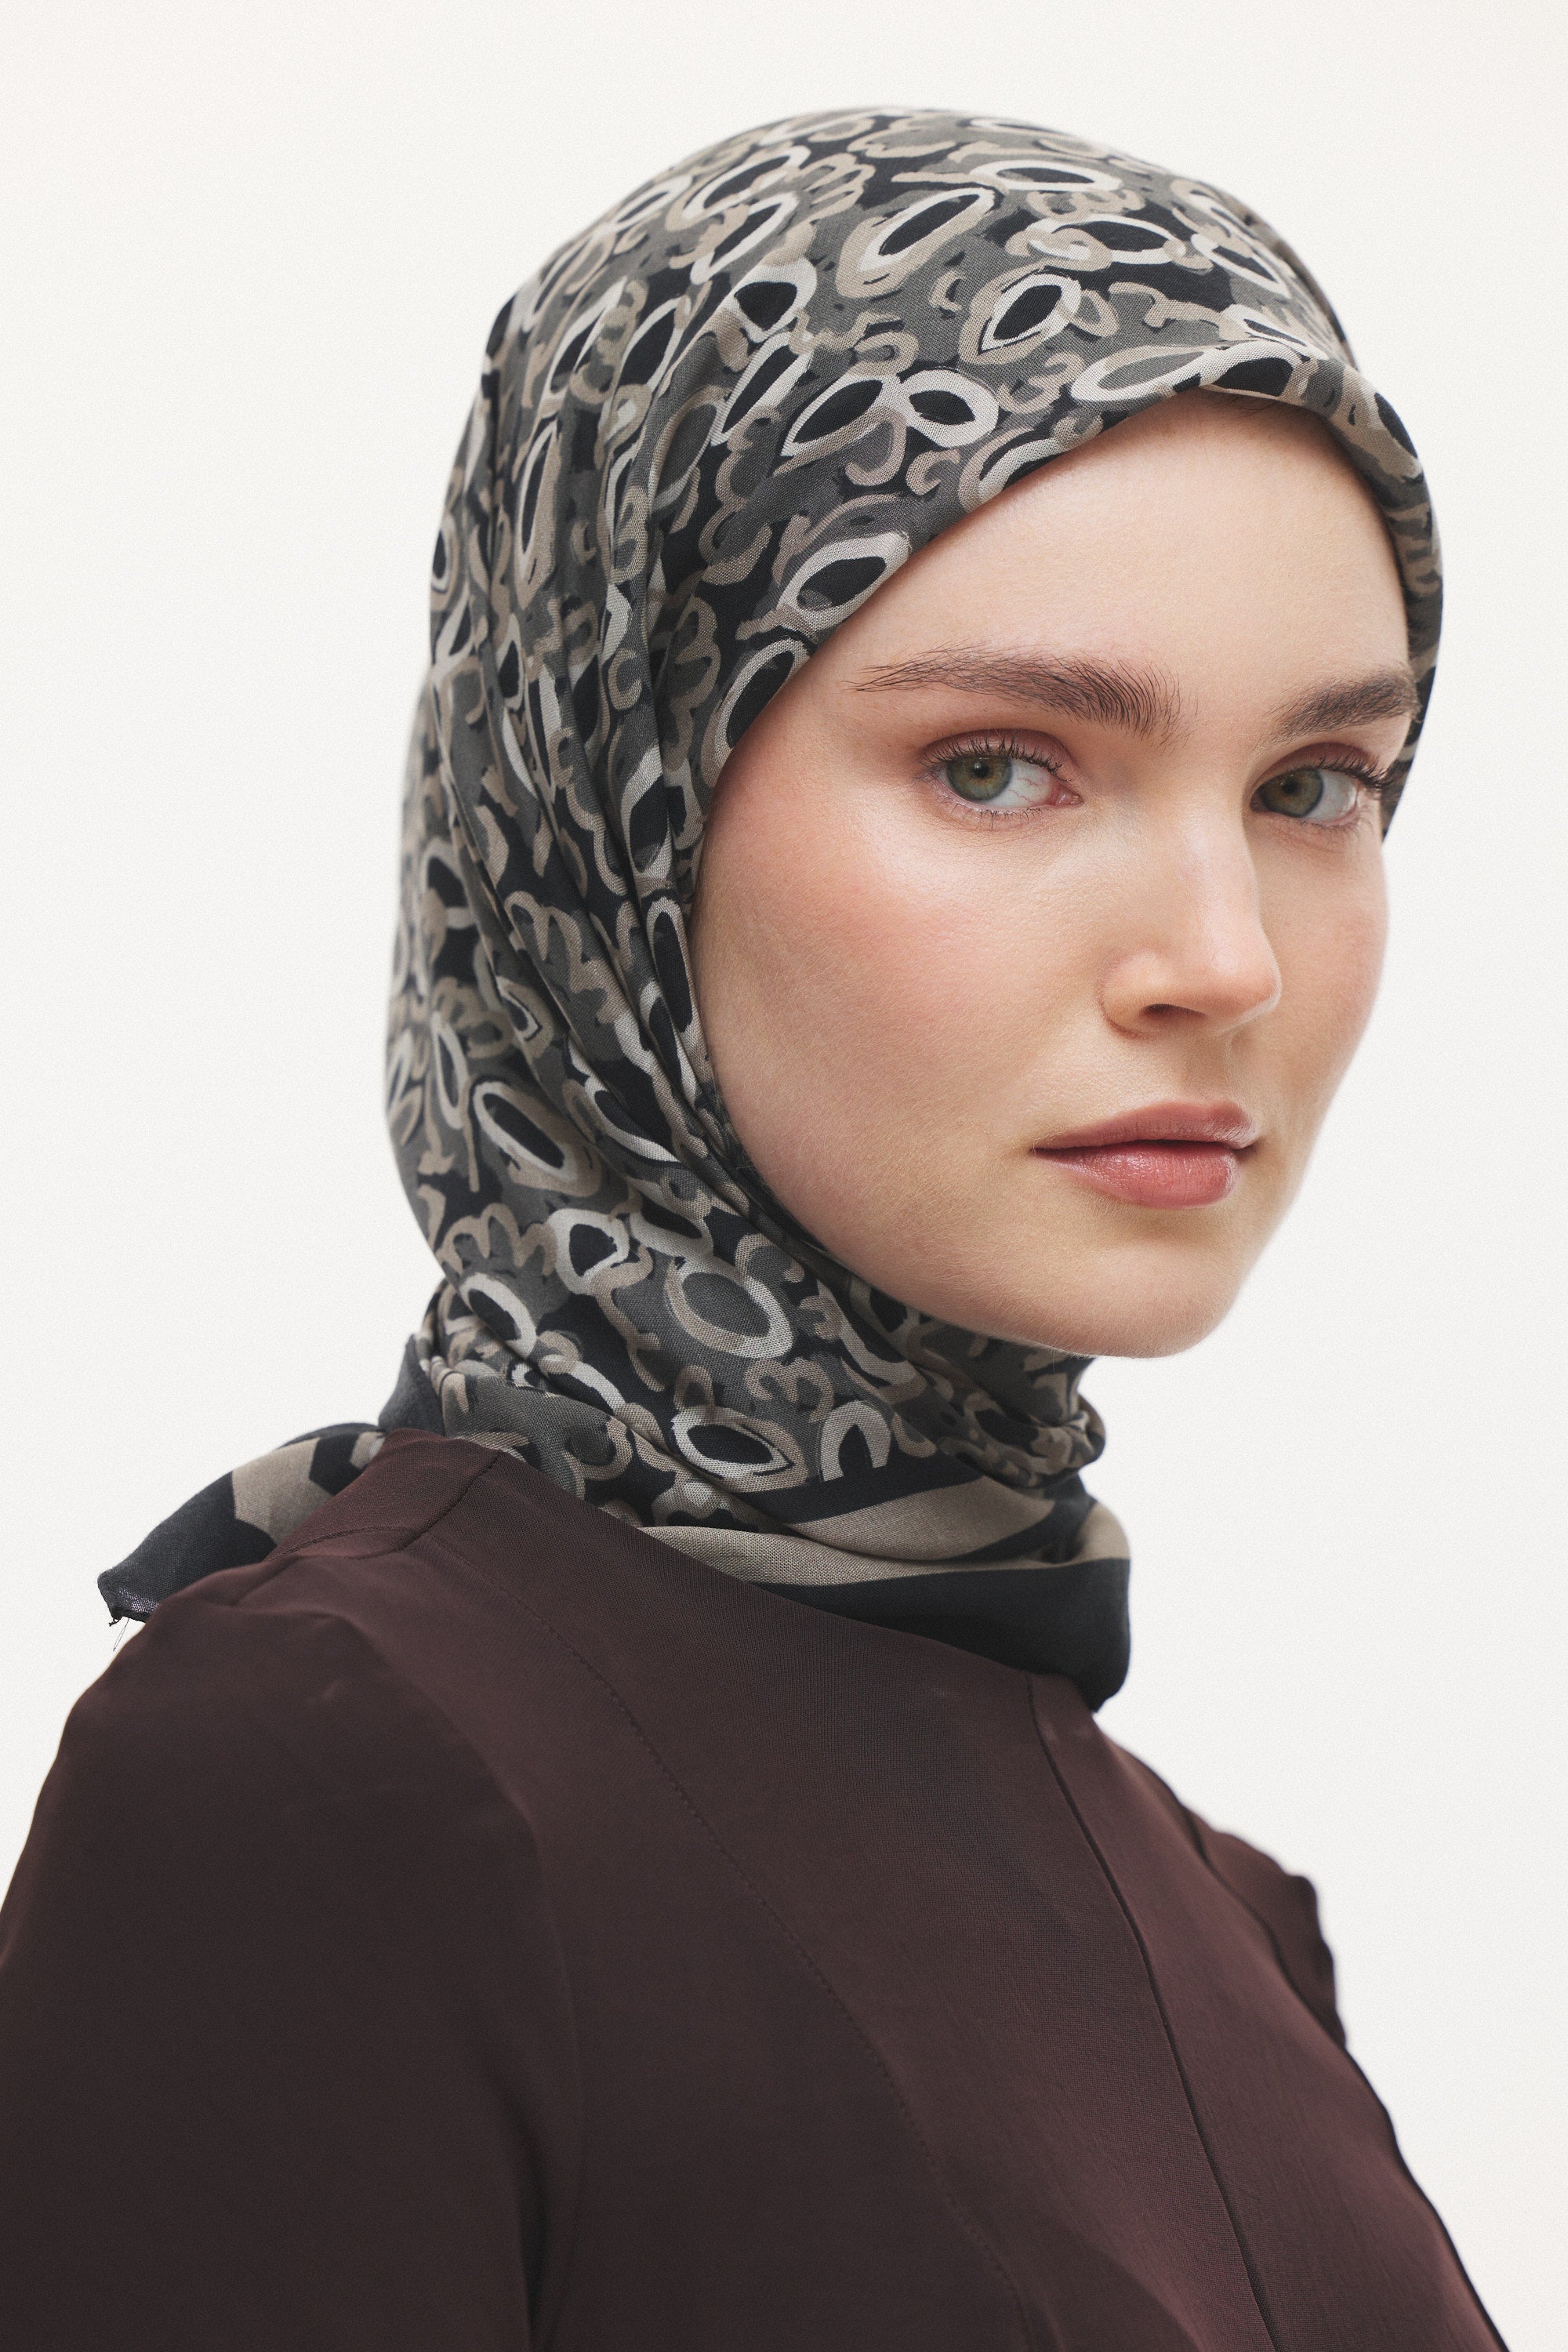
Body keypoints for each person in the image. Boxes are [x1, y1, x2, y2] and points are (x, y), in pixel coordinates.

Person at [0, 108, 1504, 2350]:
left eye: (1313, 788)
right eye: (998, 764)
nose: (1226, 958)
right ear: (616, 805)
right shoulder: (325, 1774)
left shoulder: (1222, 1917)